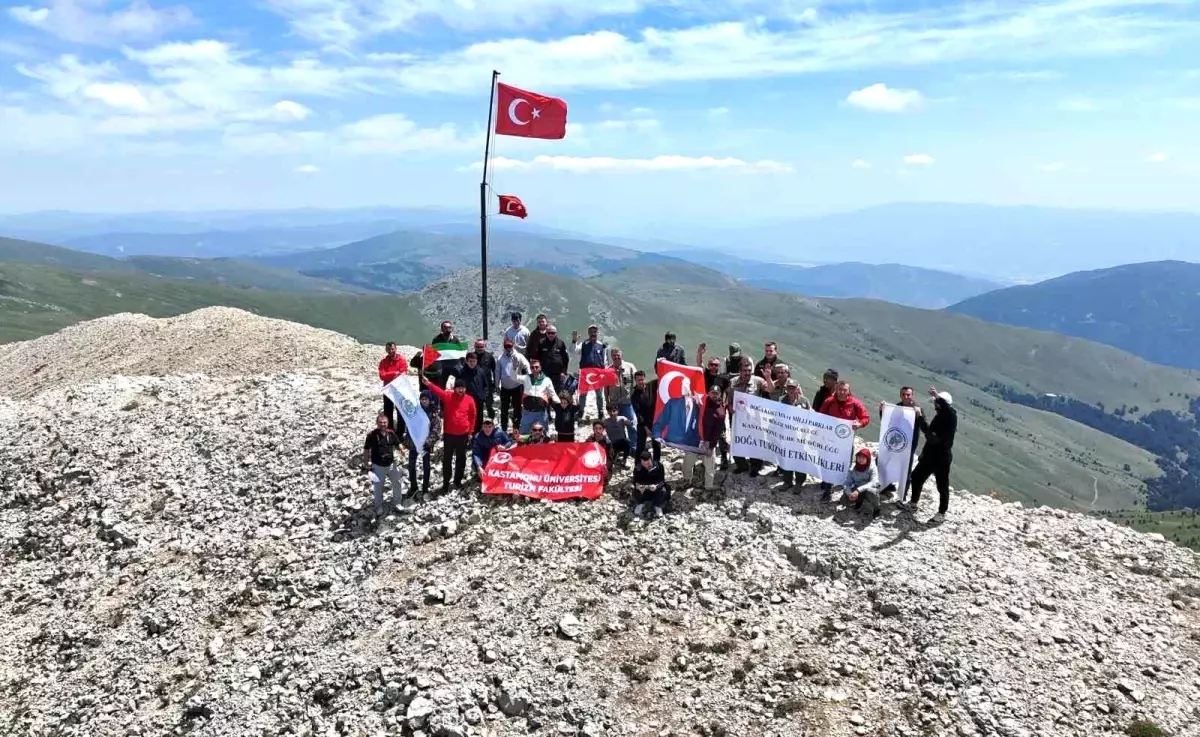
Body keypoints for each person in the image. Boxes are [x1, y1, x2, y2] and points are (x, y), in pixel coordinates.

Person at [904, 388, 958, 523]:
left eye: (936, 402)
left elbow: (931, 436)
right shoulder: (940, 416)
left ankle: (941, 513)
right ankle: (913, 503)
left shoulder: (951, 416)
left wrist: (936, 396)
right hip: (930, 455)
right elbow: (930, 435)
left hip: (942, 458)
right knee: (916, 477)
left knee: (942, 485)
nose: (934, 404)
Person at [420, 374, 477, 495]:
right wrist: (428, 383)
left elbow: (473, 416)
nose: (461, 390)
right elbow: (438, 391)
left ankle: (457, 481)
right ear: (454, 388)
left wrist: (471, 432)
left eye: (463, 388)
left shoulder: (470, 400)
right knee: (447, 460)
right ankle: (446, 482)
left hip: (463, 435)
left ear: (465, 388)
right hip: (449, 435)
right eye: (458, 388)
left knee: (461, 459)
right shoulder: (448, 396)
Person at [817, 380, 870, 502]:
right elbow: (820, 417)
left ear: (848, 391)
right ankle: (827, 489)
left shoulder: (855, 403)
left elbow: (865, 417)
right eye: (840, 389)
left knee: (844, 463)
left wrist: (860, 423)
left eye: (844, 390)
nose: (842, 392)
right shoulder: (829, 401)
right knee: (828, 462)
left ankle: (841, 483)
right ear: (836, 389)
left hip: (846, 441)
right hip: (830, 439)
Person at [728, 358, 773, 476]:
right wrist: (730, 407)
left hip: (754, 420)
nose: (747, 373)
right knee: (737, 442)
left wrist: (768, 377)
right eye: (744, 370)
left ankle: (755, 467)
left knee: (754, 443)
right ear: (740, 371)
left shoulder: (758, 381)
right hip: (738, 419)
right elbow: (729, 399)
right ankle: (742, 466)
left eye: (749, 370)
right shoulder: (733, 382)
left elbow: (770, 390)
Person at [879, 386, 922, 500]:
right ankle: (887, 486)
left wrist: (919, 415)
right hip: (896, 442)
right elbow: (888, 422)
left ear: (912, 395)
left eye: (908, 394)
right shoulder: (897, 407)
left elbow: (924, 425)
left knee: (905, 469)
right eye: (903, 394)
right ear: (900, 395)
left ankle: (902, 495)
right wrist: (882, 411)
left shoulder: (917, 408)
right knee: (883, 461)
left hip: (909, 445)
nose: (905, 397)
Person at [695, 344, 733, 469]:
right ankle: (704, 456)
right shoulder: (704, 374)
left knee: (721, 433)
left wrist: (727, 403)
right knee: (704, 432)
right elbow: (699, 364)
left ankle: (724, 458)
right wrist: (700, 353)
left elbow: (728, 391)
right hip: (705, 407)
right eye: (711, 364)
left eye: (716, 365)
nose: (713, 367)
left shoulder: (724, 378)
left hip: (718, 408)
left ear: (719, 366)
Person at [683, 385, 726, 490]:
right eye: (712, 393)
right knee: (687, 463)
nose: (714, 395)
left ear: (720, 395)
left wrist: (711, 446)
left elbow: (717, 432)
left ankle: (709, 485)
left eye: (717, 393)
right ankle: (686, 480)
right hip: (695, 439)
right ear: (708, 393)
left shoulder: (720, 411)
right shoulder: (700, 402)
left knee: (710, 466)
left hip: (707, 442)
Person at [363, 413, 406, 516]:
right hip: (377, 466)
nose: (383, 424)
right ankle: (378, 507)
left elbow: (397, 443)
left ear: (388, 423)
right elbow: (366, 449)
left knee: (397, 484)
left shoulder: (391, 433)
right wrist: (365, 462)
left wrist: (401, 449)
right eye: (380, 423)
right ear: (377, 423)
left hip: (391, 465)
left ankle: (397, 503)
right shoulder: (371, 435)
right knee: (378, 488)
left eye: (385, 422)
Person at [777, 380, 810, 490]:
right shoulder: (781, 400)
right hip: (786, 435)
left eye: (793, 388)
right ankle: (787, 481)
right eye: (789, 388)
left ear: (797, 388)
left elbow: (810, 418)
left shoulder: (804, 401)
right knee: (786, 457)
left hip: (800, 436)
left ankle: (799, 483)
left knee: (799, 459)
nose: (791, 390)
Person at [406, 391, 440, 498]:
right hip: (414, 443)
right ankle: (414, 487)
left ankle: (425, 488)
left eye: (426, 399)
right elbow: (409, 426)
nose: (424, 401)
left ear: (430, 400)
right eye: (422, 399)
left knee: (426, 466)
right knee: (411, 466)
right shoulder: (414, 412)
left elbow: (436, 430)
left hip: (426, 445)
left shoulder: (433, 413)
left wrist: (428, 442)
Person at [604, 349, 638, 455]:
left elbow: (636, 383)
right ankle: (619, 448)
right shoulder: (608, 370)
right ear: (611, 356)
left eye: (618, 355)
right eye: (614, 355)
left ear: (622, 355)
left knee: (631, 424)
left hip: (627, 402)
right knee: (617, 427)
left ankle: (633, 447)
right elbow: (605, 388)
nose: (616, 357)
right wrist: (607, 401)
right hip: (614, 403)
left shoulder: (630, 367)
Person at [447, 351, 491, 434]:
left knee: (478, 417)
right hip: (466, 401)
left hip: (479, 400)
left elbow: (486, 385)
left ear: (476, 361)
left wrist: (484, 395)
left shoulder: (480, 371)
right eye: (470, 361)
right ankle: (468, 434)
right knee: (467, 418)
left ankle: (477, 435)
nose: (472, 363)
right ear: (466, 361)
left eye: (474, 361)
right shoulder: (461, 372)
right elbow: (457, 387)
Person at [572, 325, 608, 421]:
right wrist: (574, 341)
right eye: (591, 332)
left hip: (598, 374)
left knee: (599, 395)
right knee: (583, 393)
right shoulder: (584, 344)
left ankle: (600, 412)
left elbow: (605, 360)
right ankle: (581, 411)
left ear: (597, 333)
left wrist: (604, 372)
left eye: (595, 332)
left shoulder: (602, 345)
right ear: (588, 333)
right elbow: (574, 351)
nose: (593, 333)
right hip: (585, 373)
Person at [497, 338, 531, 432]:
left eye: (510, 346)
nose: (508, 348)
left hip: (517, 386)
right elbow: (497, 372)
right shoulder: (500, 358)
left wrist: (530, 377)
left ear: (513, 346)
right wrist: (496, 384)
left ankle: (516, 428)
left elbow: (527, 366)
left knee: (517, 408)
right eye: (506, 347)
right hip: (505, 387)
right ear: (504, 347)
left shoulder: (519, 356)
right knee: (504, 409)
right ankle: (504, 428)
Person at [519, 359, 559, 434]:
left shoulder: (547, 380)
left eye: (537, 367)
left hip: (541, 413)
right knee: (524, 435)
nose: (534, 369)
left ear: (540, 368)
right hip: (527, 413)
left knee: (543, 435)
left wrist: (560, 403)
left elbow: (553, 394)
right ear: (530, 368)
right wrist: (514, 368)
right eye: (532, 367)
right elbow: (513, 377)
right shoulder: (525, 378)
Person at [534, 324, 571, 403]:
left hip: (558, 375)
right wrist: (538, 372)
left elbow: (566, 359)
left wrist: (563, 372)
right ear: (546, 333)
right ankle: (547, 414)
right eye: (549, 333)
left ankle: (558, 413)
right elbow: (537, 358)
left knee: (558, 395)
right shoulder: (541, 343)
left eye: (553, 333)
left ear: (556, 333)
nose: (551, 335)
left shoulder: (561, 343)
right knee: (545, 395)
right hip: (545, 374)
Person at [630, 370, 661, 464]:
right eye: (638, 380)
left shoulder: (651, 385)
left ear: (645, 379)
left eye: (642, 380)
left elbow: (661, 378)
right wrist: (646, 428)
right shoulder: (634, 395)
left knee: (657, 445)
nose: (640, 382)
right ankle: (637, 466)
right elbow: (638, 414)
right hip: (643, 424)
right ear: (635, 380)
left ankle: (656, 463)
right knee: (640, 446)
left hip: (655, 422)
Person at [844, 448, 883, 520]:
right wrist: (849, 493)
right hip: (858, 487)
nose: (860, 459)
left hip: (870, 488)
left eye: (863, 457)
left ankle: (876, 509)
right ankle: (859, 502)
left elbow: (873, 482)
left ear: (867, 458)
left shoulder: (872, 467)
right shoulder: (853, 468)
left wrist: (858, 490)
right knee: (844, 499)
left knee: (871, 492)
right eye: (859, 457)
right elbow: (847, 483)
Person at [378, 342, 409, 431]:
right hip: (388, 389)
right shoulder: (383, 362)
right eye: (389, 349)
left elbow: (403, 374)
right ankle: (389, 430)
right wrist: (395, 373)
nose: (391, 351)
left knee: (401, 411)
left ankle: (400, 432)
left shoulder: (401, 360)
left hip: (399, 389)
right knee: (388, 411)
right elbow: (382, 375)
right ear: (386, 350)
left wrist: (390, 374)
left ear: (396, 349)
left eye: (392, 349)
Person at [631, 451, 670, 519]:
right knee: (635, 492)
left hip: (655, 489)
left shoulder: (659, 466)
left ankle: (657, 505)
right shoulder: (638, 468)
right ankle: (640, 504)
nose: (646, 466)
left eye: (648, 463)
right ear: (641, 461)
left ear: (651, 459)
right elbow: (635, 481)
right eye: (644, 464)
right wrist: (638, 486)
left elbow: (662, 481)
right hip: (643, 490)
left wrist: (656, 486)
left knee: (663, 491)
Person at [428, 320, 462, 388]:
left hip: (454, 364)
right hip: (443, 365)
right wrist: (438, 367)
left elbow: (460, 351)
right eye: (445, 327)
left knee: (461, 377)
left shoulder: (455, 339)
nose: (448, 329)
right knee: (441, 385)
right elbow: (434, 354)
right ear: (441, 329)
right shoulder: (436, 340)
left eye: (449, 327)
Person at [472, 339, 497, 426]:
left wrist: (495, 384)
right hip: (475, 387)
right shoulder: (471, 357)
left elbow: (495, 370)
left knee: (489, 405)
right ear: (474, 347)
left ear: (485, 346)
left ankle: (491, 422)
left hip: (488, 385)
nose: (479, 348)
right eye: (477, 347)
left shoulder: (489, 357)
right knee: (478, 407)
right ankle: (478, 425)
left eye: (481, 346)